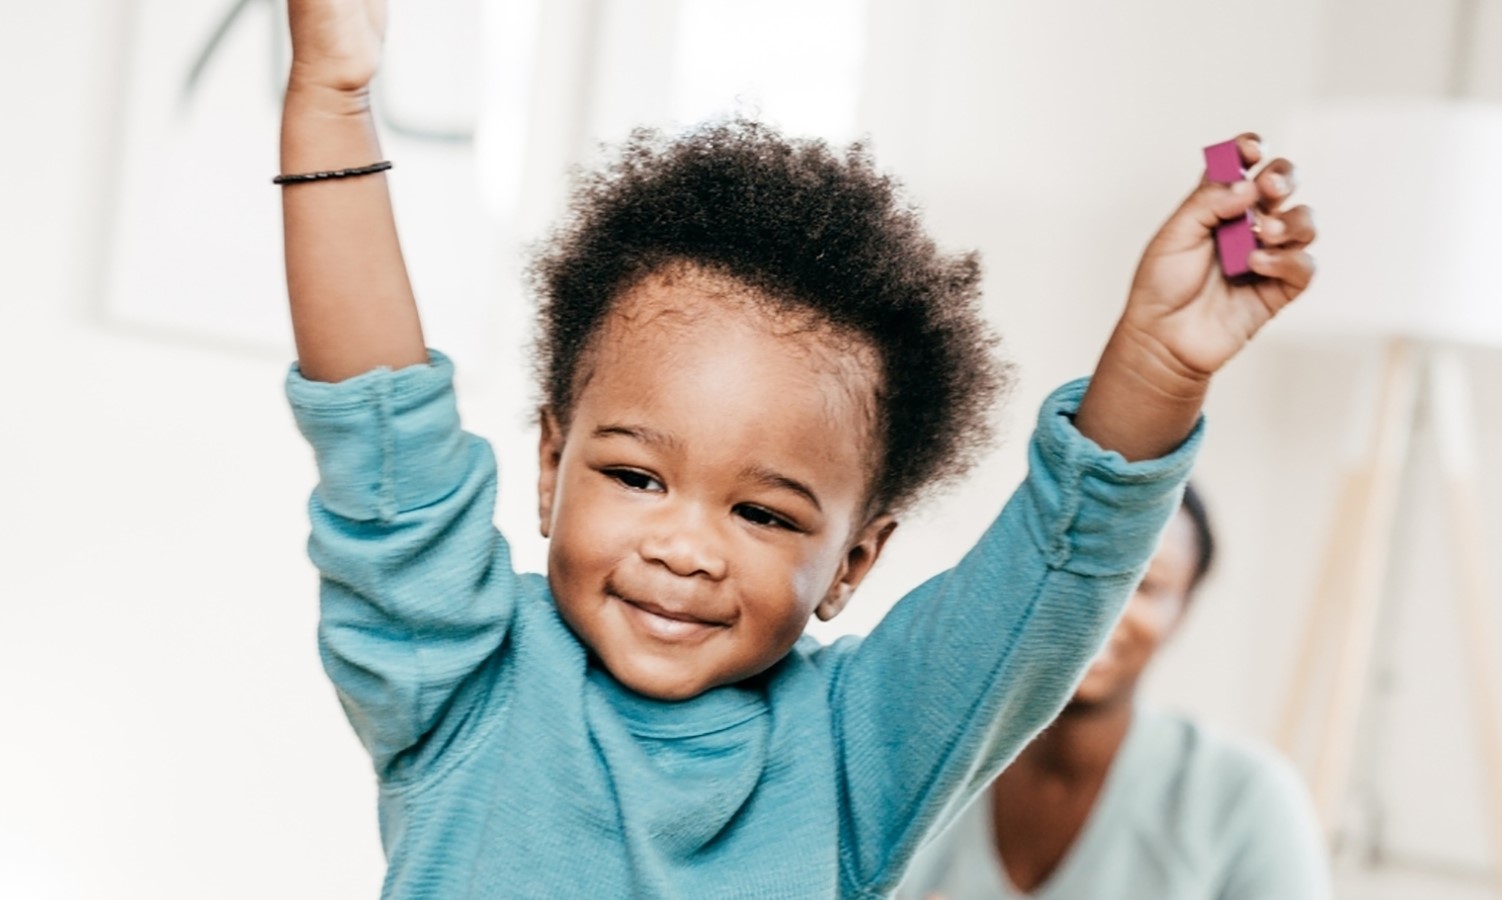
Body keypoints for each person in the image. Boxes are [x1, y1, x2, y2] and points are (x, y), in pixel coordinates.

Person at [277, 0, 1316, 895]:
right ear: (551, 467)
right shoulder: (461, 677)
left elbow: (1044, 586)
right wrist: (332, 99)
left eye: (763, 513)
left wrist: (1159, 370)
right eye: (637, 476)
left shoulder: (859, 750)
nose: (685, 548)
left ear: (852, 562)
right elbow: (380, 428)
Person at [897, 485, 1331, 900]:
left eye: (1144, 585)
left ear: (1181, 611)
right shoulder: (923, 765)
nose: (1098, 609)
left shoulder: (1246, 796)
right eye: (1075, 567)